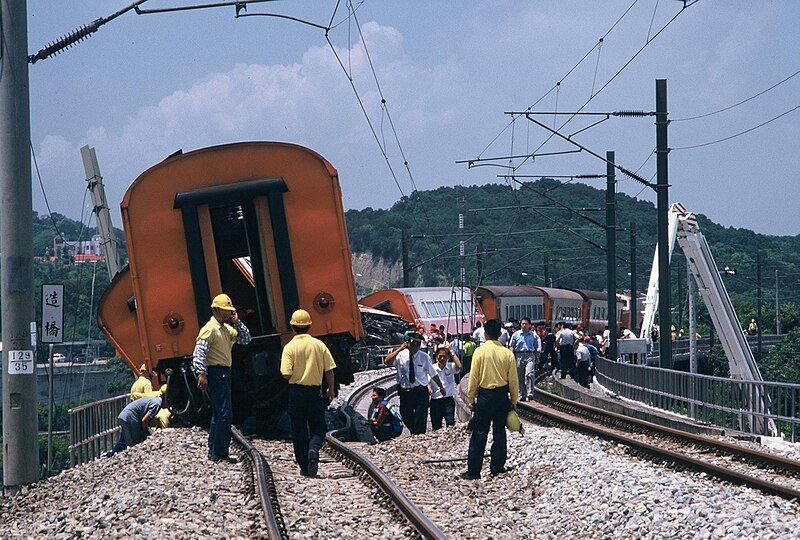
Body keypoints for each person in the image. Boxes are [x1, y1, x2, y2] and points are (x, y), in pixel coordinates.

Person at [192, 293, 252, 463]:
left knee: (219, 413)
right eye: (225, 311)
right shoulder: (210, 329)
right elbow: (199, 353)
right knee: (224, 414)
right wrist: (201, 373)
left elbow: (246, 339)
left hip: (224, 372)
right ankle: (220, 452)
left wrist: (237, 322)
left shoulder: (226, 329)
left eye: (229, 311)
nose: (227, 314)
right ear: (216, 310)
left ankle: (214, 450)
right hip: (216, 372)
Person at [280, 308, 336, 477]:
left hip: (296, 393)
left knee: (298, 430)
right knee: (319, 428)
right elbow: (330, 369)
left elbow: (286, 373)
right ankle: (314, 448)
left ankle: (304, 466)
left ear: (292, 327)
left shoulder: (289, 347)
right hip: (314, 393)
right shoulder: (319, 345)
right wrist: (331, 388)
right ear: (309, 326)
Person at [462, 319, 519, 480]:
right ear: (500, 334)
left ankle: (474, 471)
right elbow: (513, 380)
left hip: (485, 396)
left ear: (485, 333)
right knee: (499, 432)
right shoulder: (507, 353)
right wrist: (514, 400)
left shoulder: (480, 352)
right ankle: (497, 467)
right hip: (501, 396)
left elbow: (474, 377)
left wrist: (470, 398)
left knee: (479, 433)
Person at [385, 332, 448, 435]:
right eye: (413, 343)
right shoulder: (401, 355)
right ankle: (415, 432)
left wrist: (441, 386)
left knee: (421, 415)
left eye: (418, 344)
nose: (415, 346)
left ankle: (419, 436)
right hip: (405, 390)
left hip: (420, 390)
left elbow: (433, 373)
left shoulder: (424, 357)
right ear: (407, 343)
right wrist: (400, 348)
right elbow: (387, 361)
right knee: (405, 414)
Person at [509, 317, 540, 401]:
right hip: (519, 355)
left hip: (530, 355)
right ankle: (522, 393)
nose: (524, 325)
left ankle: (530, 393)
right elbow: (512, 346)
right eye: (522, 324)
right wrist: (511, 357)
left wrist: (537, 358)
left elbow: (536, 347)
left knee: (529, 373)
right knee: (520, 376)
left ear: (529, 325)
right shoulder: (516, 335)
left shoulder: (533, 335)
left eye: (526, 324)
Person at [430, 347, 461, 430]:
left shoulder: (451, 366)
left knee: (450, 423)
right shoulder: (432, 368)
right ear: (436, 356)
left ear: (448, 357)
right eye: (440, 356)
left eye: (444, 356)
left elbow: (459, 366)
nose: (442, 358)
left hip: (448, 400)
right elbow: (427, 381)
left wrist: (452, 353)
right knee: (436, 426)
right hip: (436, 399)